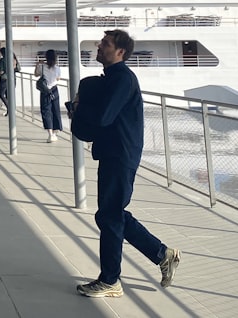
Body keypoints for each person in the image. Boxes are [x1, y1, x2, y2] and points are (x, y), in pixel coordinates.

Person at [73, 29, 180, 298]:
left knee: (110, 215)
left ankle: (111, 280)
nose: (99, 46)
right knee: (111, 214)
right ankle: (161, 254)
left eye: (105, 44)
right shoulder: (114, 78)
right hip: (115, 153)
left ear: (120, 52)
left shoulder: (122, 79)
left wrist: (78, 108)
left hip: (120, 155)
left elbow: (104, 117)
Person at [35, 49, 63, 142]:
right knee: (55, 110)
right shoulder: (57, 68)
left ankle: (50, 134)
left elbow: (36, 74)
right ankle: (55, 132)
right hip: (54, 90)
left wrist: (38, 64)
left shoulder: (42, 67)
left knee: (46, 111)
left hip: (45, 91)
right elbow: (58, 78)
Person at [0, 46, 18, 117]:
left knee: (2, 94)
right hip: (13, 79)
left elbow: (1, 71)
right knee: (9, 95)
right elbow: (18, 68)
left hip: (4, 79)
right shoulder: (13, 59)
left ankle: (10, 109)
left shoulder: (3, 60)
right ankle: (10, 111)